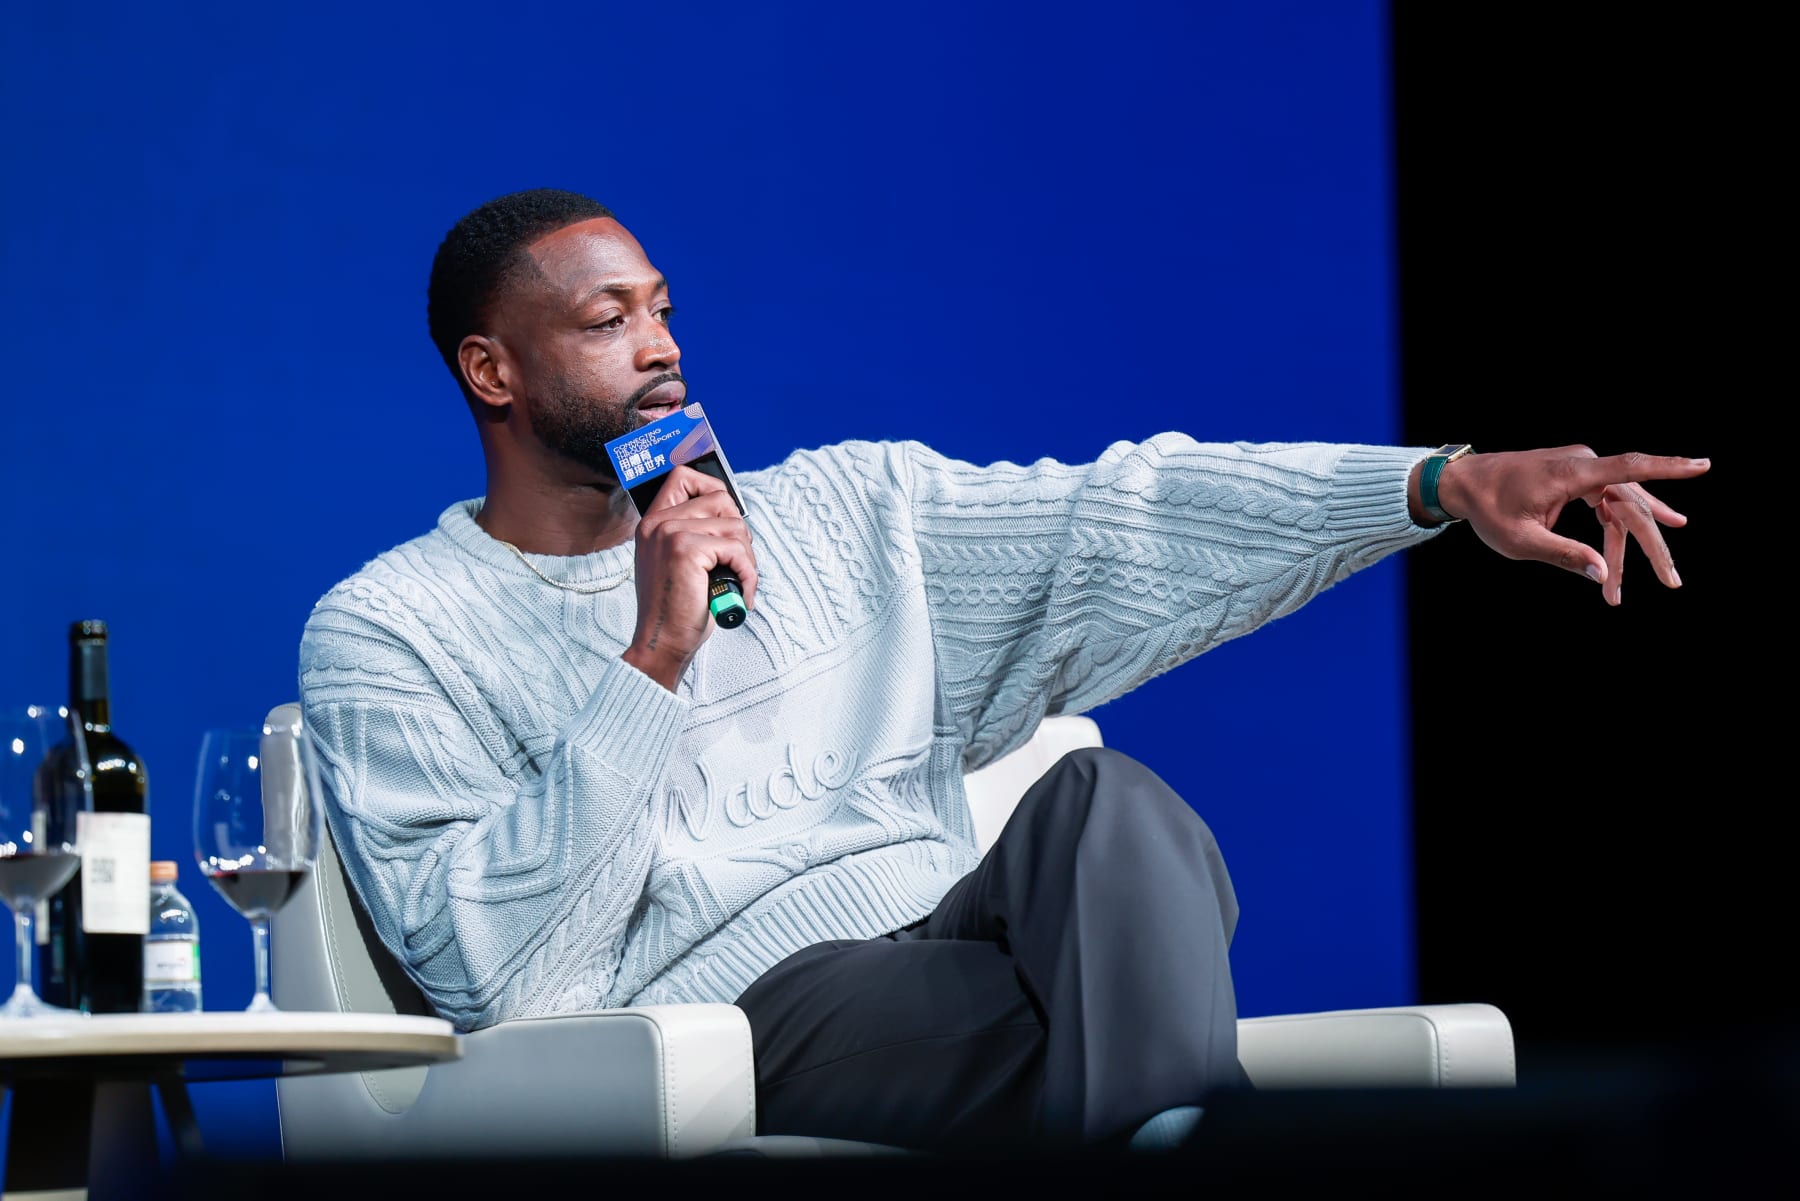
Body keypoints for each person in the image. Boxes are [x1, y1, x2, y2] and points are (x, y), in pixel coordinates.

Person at [296, 187, 1710, 1154]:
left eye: (662, 309)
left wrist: (1435, 484)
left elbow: (1131, 516)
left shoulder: (844, 512)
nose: (660, 348)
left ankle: (1166, 1129)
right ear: (491, 368)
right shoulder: (393, 628)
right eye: (607, 323)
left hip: (975, 928)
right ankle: (1194, 1130)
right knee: (1084, 1023)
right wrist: (654, 654)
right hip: (742, 1008)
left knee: (1114, 809)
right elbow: (500, 975)